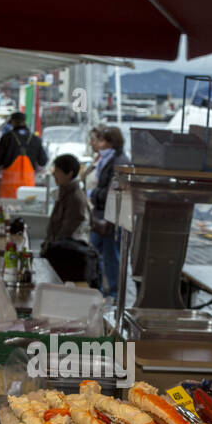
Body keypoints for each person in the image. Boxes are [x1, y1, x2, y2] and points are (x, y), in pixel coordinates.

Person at [41, 154, 98, 286]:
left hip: (68, 257)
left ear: (69, 173)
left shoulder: (75, 198)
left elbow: (66, 231)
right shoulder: (65, 192)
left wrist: (51, 248)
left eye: (58, 171)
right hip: (61, 252)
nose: (54, 174)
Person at [89, 124, 130, 299]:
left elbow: (113, 191)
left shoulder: (119, 162)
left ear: (110, 143)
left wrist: (94, 193)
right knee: (97, 252)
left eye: (102, 140)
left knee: (111, 256)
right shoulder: (108, 160)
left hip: (112, 217)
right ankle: (98, 289)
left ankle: (112, 293)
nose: (98, 143)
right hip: (101, 215)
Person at [0, 112, 47, 198]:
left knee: (7, 209)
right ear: (24, 122)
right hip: (28, 188)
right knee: (26, 208)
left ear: (13, 122)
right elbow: (43, 162)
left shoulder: (6, 138)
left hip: (9, 187)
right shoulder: (35, 139)